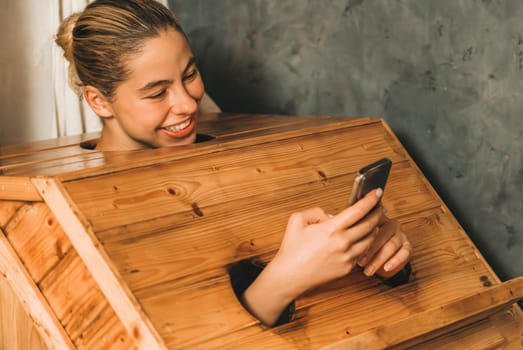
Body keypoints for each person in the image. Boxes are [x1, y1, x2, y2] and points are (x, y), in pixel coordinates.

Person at [55, 0, 412, 327]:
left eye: (190, 75)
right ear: (99, 102)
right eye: (157, 92)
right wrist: (285, 280)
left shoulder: (234, 165)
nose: (188, 104)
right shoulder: (75, 213)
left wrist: (380, 258)